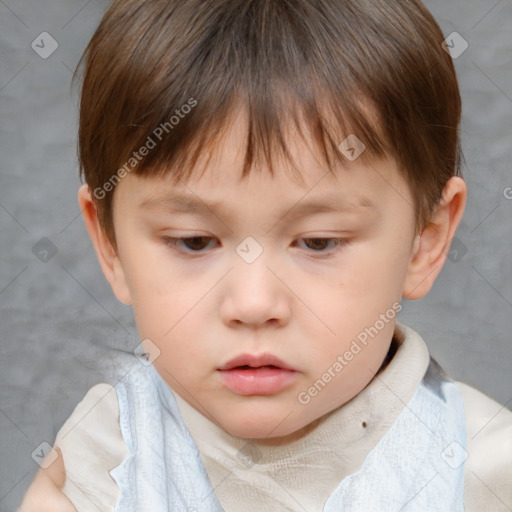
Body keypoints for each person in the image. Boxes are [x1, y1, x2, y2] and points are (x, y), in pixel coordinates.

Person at [19, 0, 512, 510]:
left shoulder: (490, 473)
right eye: (193, 241)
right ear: (110, 244)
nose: (254, 304)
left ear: (425, 240)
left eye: (319, 242)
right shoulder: (98, 465)